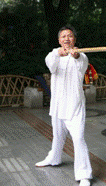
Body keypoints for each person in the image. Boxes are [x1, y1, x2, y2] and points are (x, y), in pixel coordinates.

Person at [35, 26, 92, 186]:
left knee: (79, 138)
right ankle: (54, 158)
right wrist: (56, 54)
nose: (67, 38)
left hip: (75, 106)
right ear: (59, 40)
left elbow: (82, 66)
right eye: (63, 36)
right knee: (58, 136)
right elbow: (51, 65)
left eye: (70, 36)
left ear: (74, 39)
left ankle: (84, 174)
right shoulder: (53, 54)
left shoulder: (82, 57)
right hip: (59, 104)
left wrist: (76, 56)